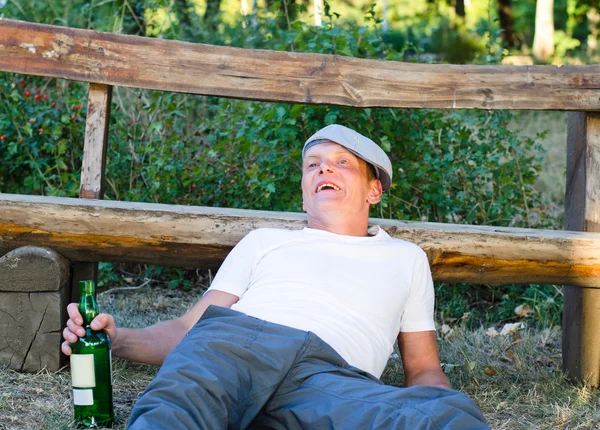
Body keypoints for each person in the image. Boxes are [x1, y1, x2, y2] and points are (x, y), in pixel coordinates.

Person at [63, 124, 489, 429]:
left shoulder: (406, 258)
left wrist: (440, 398)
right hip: (238, 342)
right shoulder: (264, 241)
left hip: (330, 375)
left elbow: (423, 368)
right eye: (314, 165)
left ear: (373, 190)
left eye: (342, 163)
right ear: (305, 188)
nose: (324, 170)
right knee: (179, 405)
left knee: (447, 417)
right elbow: (186, 331)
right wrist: (115, 340)